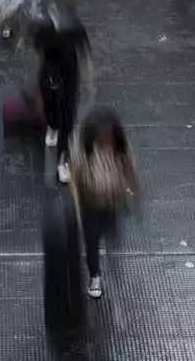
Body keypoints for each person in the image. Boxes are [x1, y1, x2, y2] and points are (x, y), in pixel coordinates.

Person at [69, 108, 138, 299]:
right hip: (91, 202)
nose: (107, 139)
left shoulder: (121, 149)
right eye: (103, 135)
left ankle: (109, 239)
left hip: (113, 201)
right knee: (92, 241)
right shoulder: (83, 149)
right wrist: (76, 204)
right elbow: (75, 176)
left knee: (112, 231)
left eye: (110, 134)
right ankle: (95, 275)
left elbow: (129, 172)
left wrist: (131, 195)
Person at [32, 0, 90, 186]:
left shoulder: (75, 29)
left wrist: (89, 81)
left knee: (68, 116)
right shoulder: (44, 29)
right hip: (49, 74)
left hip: (69, 75)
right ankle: (52, 125)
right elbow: (36, 53)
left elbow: (84, 53)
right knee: (52, 107)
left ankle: (63, 160)